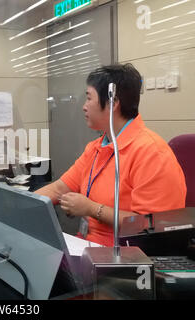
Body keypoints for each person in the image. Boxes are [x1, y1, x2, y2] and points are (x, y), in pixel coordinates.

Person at [35, 64, 187, 247]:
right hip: (87, 245)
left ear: (113, 103)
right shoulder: (97, 147)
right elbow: (59, 188)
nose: (83, 107)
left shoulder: (151, 152)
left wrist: (92, 209)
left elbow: (151, 225)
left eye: (89, 98)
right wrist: (22, 204)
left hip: (126, 257)